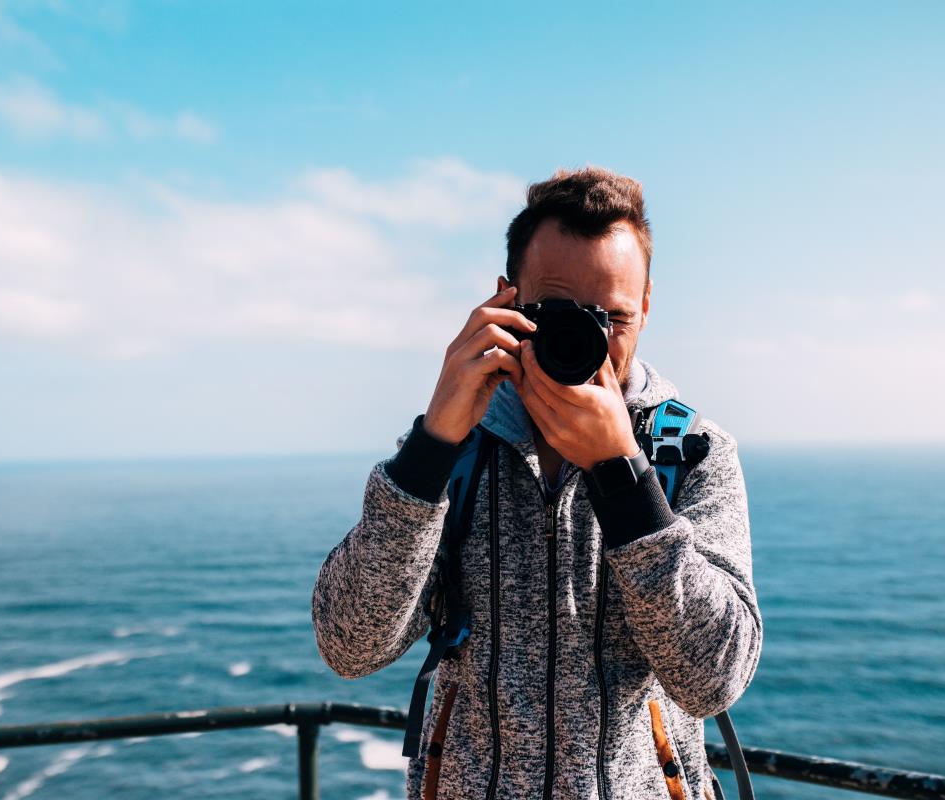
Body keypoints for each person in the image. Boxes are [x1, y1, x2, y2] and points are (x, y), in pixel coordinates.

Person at [312, 166, 762, 800]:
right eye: (561, 314)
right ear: (508, 298)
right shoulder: (456, 451)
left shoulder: (689, 455)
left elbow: (714, 678)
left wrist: (626, 479)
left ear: (648, 305)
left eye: (613, 317)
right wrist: (432, 443)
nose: (590, 342)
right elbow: (349, 643)